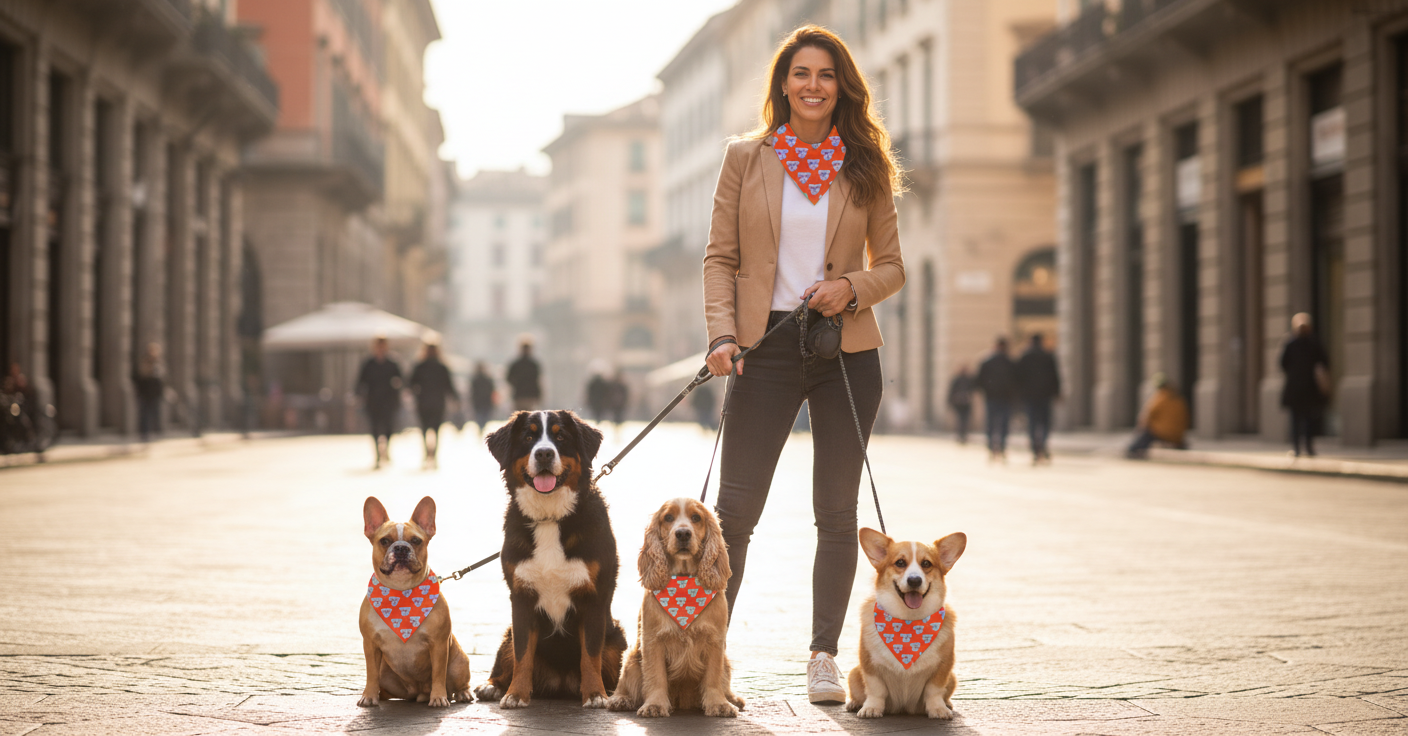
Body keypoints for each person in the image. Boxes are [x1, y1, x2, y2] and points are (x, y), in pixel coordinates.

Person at [702, 26, 905, 704]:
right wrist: (722, 334)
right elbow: (721, 258)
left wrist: (851, 287)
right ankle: (709, 651)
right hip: (764, 350)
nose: (812, 85)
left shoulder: (864, 162)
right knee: (734, 513)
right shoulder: (746, 158)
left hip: (845, 352)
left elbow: (893, 268)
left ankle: (822, 655)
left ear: (841, 85)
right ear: (782, 84)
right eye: (800, 73)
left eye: (825, 74)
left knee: (837, 512)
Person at [1279, 312, 1330, 457]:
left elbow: (1282, 364)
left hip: (1296, 389)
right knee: (1307, 419)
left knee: (1296, 421)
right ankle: (1308, 447)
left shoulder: (1290, 343)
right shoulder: (1313, 343)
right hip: (1309, 388)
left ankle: (1297, 449)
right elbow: (1325, 362)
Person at [356, 337, 403, 469]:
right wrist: (358, 394)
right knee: (374, 427)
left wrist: (398, 387)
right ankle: (377, 454)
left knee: (388, 427)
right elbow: (360, 381)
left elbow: (401, 379)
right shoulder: (368, 363)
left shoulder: (392, 362)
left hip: (389, 401)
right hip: (373, 401)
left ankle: (386, 449)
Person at [409, 341, 458, 468]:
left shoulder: (420, 366)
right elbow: (449, 386)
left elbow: (410, 384)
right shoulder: (442, 366)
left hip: (423, 402)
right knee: (436, 430)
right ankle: (433, 456)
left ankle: (427, 454)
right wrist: (455, 399)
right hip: (438, 403)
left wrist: (417, 394)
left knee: (424, 429)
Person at [1016, 333, 1061, 464]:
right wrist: (1057, 392)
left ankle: (1035, 448)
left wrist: (1019, 394)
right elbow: (1055, 375)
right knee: (1045, 422)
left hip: (1029, 396)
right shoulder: (1047, 355)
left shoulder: (1025, 356)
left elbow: (1018, 377)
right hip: (1045, 395)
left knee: (1032, 423)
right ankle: (1043, 444)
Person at [1127, 374, 1190, 458]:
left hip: (1163, 432)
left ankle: (1133, 450)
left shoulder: (1160, 397)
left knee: (1146, 433)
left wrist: (1141, 427)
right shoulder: (1179, 398)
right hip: (1179, 434)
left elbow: (1147, 415)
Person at [976, 336, 1017, 462]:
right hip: (1005, 397)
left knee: (991, 424)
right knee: (1003, 424)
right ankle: (1002, 447)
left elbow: (979, 381)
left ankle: (991, 448)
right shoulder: (1010, 362)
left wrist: (986, 390)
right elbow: (1016, 381)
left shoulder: (987, 361)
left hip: (992, 397)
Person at [133, 343, 165, 442]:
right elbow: (140, 378)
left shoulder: (159, 364)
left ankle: (156, 433)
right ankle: (144, 434)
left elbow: (162, 380)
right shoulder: (144, 363)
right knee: (144, 415)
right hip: (145, 394)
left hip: (155, 394)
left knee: (155, 414)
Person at [505, 338, 542, 412]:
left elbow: (508, 378)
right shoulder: (533, 364)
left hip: (519, 394)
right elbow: (537, 380)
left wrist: (516, 385)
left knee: (520, 417)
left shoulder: (516, 364)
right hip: (530, 394)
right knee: (530, 417)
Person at [946, 365, 975, 445]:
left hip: (962, 403)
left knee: (962, 420)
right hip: (961, 403)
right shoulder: (963, 379)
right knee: (962, 420)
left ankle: (962, 435)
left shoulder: (964, 379)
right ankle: (961, 435)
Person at [469, 362, 497, 437]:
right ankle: (482, 428)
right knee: (485, 418)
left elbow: (472, 392)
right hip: (486, 402)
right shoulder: (488, 379)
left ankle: (480, 429)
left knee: (479, 418)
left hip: (478, 403)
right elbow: (492, 391)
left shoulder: (475, 380)